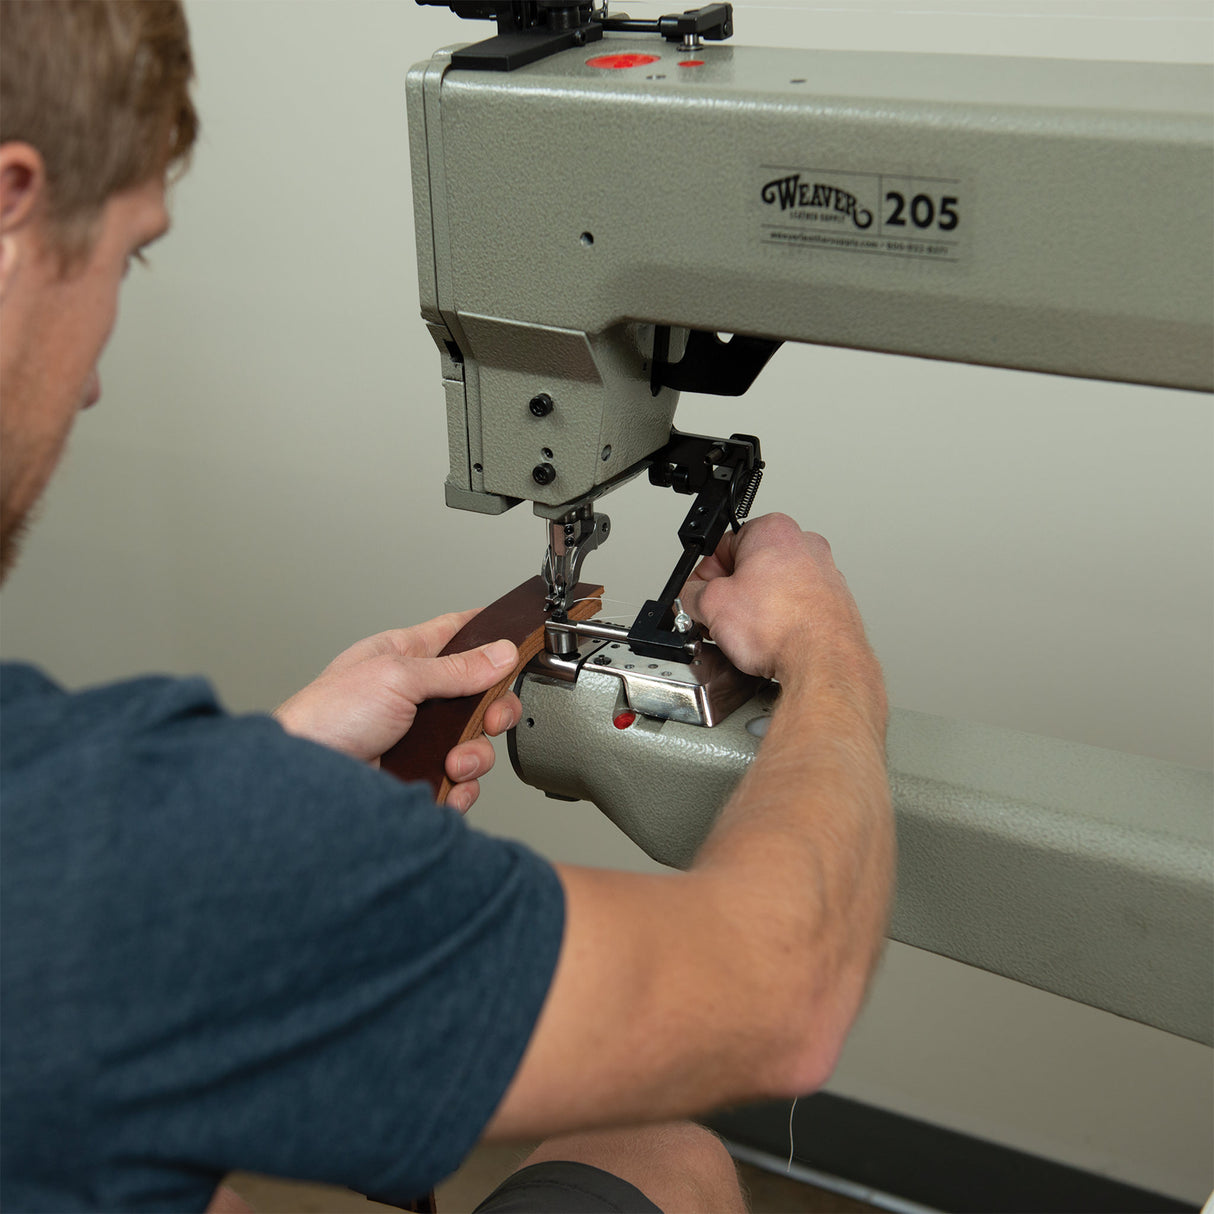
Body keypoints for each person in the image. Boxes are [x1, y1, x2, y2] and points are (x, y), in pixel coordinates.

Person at [0, 2, 894, 1211]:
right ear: (11, 204)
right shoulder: (118, 852)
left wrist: (263, 773)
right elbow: (780, 996)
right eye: (126, 252)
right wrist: (832, 659)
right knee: (661, 1153)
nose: (98, 374)